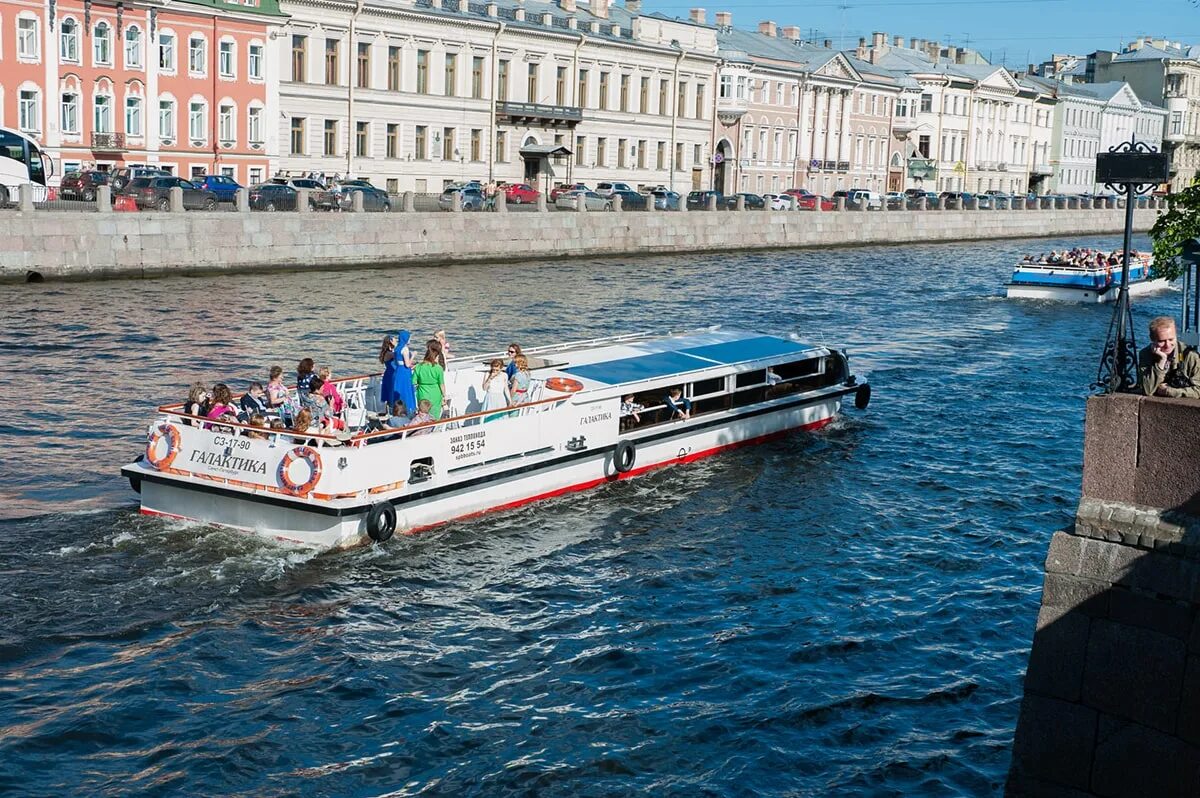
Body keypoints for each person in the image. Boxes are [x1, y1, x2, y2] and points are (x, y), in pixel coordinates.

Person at [1138, 316, 1200, 398]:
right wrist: (1162, 361)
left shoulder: (1190, 356)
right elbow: (1148, 390)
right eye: (1161, 341)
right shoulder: (1146, 354)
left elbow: (1198, 390)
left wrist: (1169, 391)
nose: (1167, 345)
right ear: (1152, 339)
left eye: (1171, 339)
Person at [413, 340, 447, 420]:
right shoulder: (438, 368)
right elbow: (441, 384)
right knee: (434, 415)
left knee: (423, 414)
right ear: (436, 356)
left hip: (422, 393)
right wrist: (444, 396)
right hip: (435, 393)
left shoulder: (418, 367)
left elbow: (414, 382)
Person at [393, 330, 417, 414]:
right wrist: (413, 355)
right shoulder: (405, 349)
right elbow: (407, 364)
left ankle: (397, 410)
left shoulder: (397, 348)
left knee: (399, 389)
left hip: (398, 370)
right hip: (405, 372)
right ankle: (409, 409)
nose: (410, 340)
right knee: (406, 390)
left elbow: (397, 362)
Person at [379, 335, 398, 407]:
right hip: (391, 375)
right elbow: (398, 355)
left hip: (390, 374)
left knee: (391, 392)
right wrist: (396, 346)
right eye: (394, 340)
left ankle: (390, 408)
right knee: (391, 393)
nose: (396, 341)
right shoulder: (388, 354)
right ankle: (391, 409)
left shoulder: (388, 352)